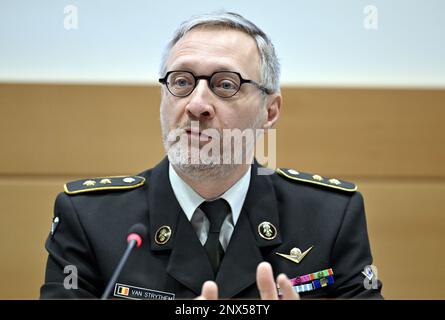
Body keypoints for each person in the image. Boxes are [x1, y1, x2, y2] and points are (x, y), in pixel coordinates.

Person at [40, 11, 382, 300]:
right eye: (182, 81)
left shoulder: (331, 217)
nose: (197, 104)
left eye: (226, 84)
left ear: (270, 111)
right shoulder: (89, 219)